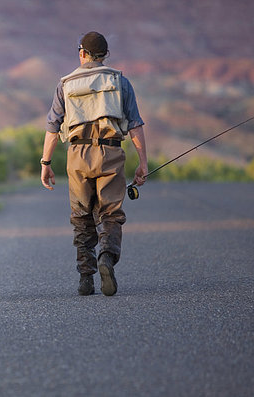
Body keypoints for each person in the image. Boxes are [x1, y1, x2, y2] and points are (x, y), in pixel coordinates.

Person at [40, 31, 148, 296]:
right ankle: (106, 259)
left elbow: (53, 128)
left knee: (81, 216)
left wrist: (46, 163)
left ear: (82, 53)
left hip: (77, 155)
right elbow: (135, 125)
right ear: (105, 55)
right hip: (110, 153)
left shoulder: (65, 83)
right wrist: (143, 163)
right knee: (110, 213)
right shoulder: (119, 81)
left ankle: (85, 279)